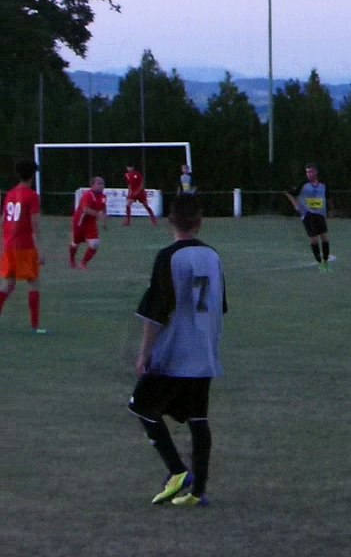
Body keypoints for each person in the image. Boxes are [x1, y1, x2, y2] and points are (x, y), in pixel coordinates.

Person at [128, 193, 226, 507]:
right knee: (198, 418)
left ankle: (177, 472)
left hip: (175, 352)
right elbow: (219, 306)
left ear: (170, 221)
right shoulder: (213, 256)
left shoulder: (168, 257)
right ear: (199, 222)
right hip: (205, 349)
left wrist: (145, 353)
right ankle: (198, 494)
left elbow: (155, 311)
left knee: (141, 405)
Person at [1, 160, 46, 333]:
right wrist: (40, 250)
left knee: (8, 284)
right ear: (33, 175)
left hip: (9, 245)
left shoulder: (11, 193)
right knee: (34, 284)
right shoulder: (32, 196)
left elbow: (4, 219)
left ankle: (35, 326)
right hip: (24, 246)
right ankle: (35, 326)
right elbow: (35, 225)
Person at [284, 163, 333, 271]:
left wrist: (331, 209)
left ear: (316, 172)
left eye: (311, 171)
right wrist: (295, 205)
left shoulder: (323, 185)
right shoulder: (303, 184)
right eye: (307, 172)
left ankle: (325, 261)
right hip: (307, 215)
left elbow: (328, 197)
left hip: (320, 214)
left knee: (324, 238)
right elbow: (289, 193)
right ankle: (319, 263)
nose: (309, 174)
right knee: (314, 239)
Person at [69, 176, 108, 269]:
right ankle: (72, 260)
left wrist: (104, 221)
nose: (101, 186)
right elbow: (85, 209)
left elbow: (104, 208)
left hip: (91, 223)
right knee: (75, 243)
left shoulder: (103, 196)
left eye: (102, 184)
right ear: (92, 185)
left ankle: (83, 263)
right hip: (80, 222)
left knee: (95, 244)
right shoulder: (88, 195)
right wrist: (99, 215)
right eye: (99, 183)